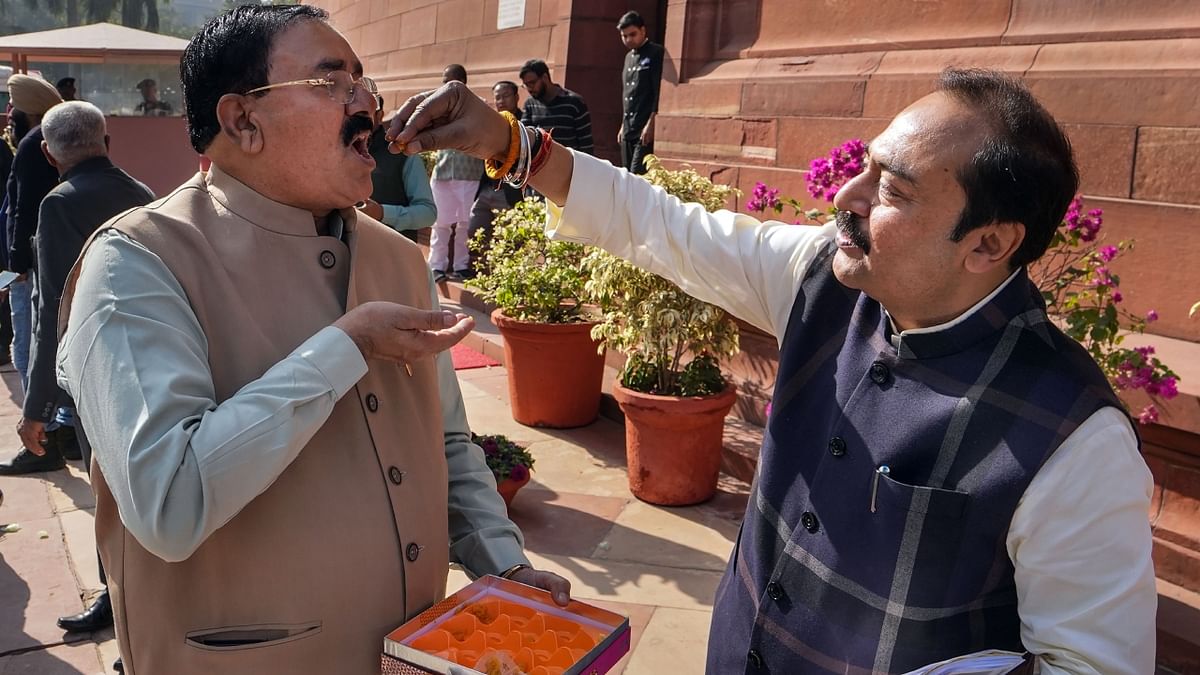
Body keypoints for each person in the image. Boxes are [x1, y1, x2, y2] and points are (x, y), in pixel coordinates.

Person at [388, 67, 1156, 674]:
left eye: (891, 189)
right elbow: (668, 229)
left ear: (988, 244)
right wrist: (512, 143)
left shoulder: (1072, 437)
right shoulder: (824, 277)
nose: (845, 196)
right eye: (865, 166)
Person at [55, 6, 569, 673]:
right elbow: (168, 503)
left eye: (364, 81)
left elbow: (444, 441)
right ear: (242, 119)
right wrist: (345, 347)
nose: (368, 104)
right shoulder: (137, 263)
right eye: (333, 83)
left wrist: (504, 563)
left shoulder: (400, 260)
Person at [15, 102, 155, 646]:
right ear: (107, 139)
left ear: (49, 154)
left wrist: (36, 407)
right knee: (139, 491)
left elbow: (54, 310)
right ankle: (131, 599)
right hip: (153, 360)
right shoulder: (143, 192)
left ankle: (120, 606)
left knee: (110, 498)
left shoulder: (59, 204)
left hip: (98, 373)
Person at [0, 74, 69, 476]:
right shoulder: (55, 140)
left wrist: (14, 265)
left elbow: (22, 209)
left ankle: (41, 442)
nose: (9, 114)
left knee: (26, 348)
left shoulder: (30, 145)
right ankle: (64, 435)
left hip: (27, 266)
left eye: (14, 108)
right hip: (44, 259)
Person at [429, 64, 484, 281]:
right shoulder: (436, 108)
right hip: (442, 173)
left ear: (462, 81)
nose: (446, 85)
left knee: (464, 225)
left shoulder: (477, 107)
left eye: (450, 80)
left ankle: (461, 267)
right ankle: (436, 267)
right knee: (440, 223)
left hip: (469, 173)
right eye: (444, 81)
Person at [358, 97, 437, 243]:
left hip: (392, 254)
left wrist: (382, 213)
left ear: (379, 115)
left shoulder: (402, 153)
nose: (357, 120)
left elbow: (428, 214)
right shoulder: (340, 151)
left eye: (364, 113)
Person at [466, 80, 524, 271]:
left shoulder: (524, 123)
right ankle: (486, 271)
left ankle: (503, 275)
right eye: (497, 97)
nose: (501, 100)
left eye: (505, 96)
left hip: (508, 192)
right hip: (486, 188)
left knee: (508, 238)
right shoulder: (490, 121)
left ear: (516, 98)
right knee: (474, 230)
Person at [616, 11, 662, 175]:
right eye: (624, 36)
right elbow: (627, 93)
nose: (628, 40)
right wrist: (623, 124)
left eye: (632, 34)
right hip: (629, 126)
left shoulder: (655, 53)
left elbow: (657, 90)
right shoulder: (628, 57)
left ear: (643, 31)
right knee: (626, 174)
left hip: (644, 126)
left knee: (637, 175)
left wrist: (652, 122)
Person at [518, 59, 593, 155]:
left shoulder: (574, 102)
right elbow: (526, 137)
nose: (529, 89)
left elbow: (585, 141)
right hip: (541, 164)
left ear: (545, 77)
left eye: (532, 83)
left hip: (570, 164)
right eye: (526, 85)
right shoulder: (530, 104)